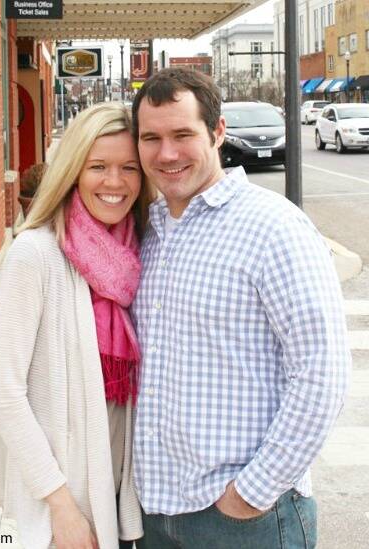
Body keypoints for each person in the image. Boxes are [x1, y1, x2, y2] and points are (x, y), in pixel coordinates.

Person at [130, 68, 351, 549]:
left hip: (240, 520)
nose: (166, 154)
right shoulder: (147, 231)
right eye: (151, 138)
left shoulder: (274, 227)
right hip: (153, 513)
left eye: (182, 134)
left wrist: (250, 495)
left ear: (217, 132)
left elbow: (322, 372)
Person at [0, 102, 155, 549]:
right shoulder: (36, 254)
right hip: (65, 502)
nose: (115, 182)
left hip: (124, 496)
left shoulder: (141, 252)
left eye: (129, 168)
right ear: (73, 170)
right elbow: (6, 395)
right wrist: (60, 506)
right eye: (98, 166)